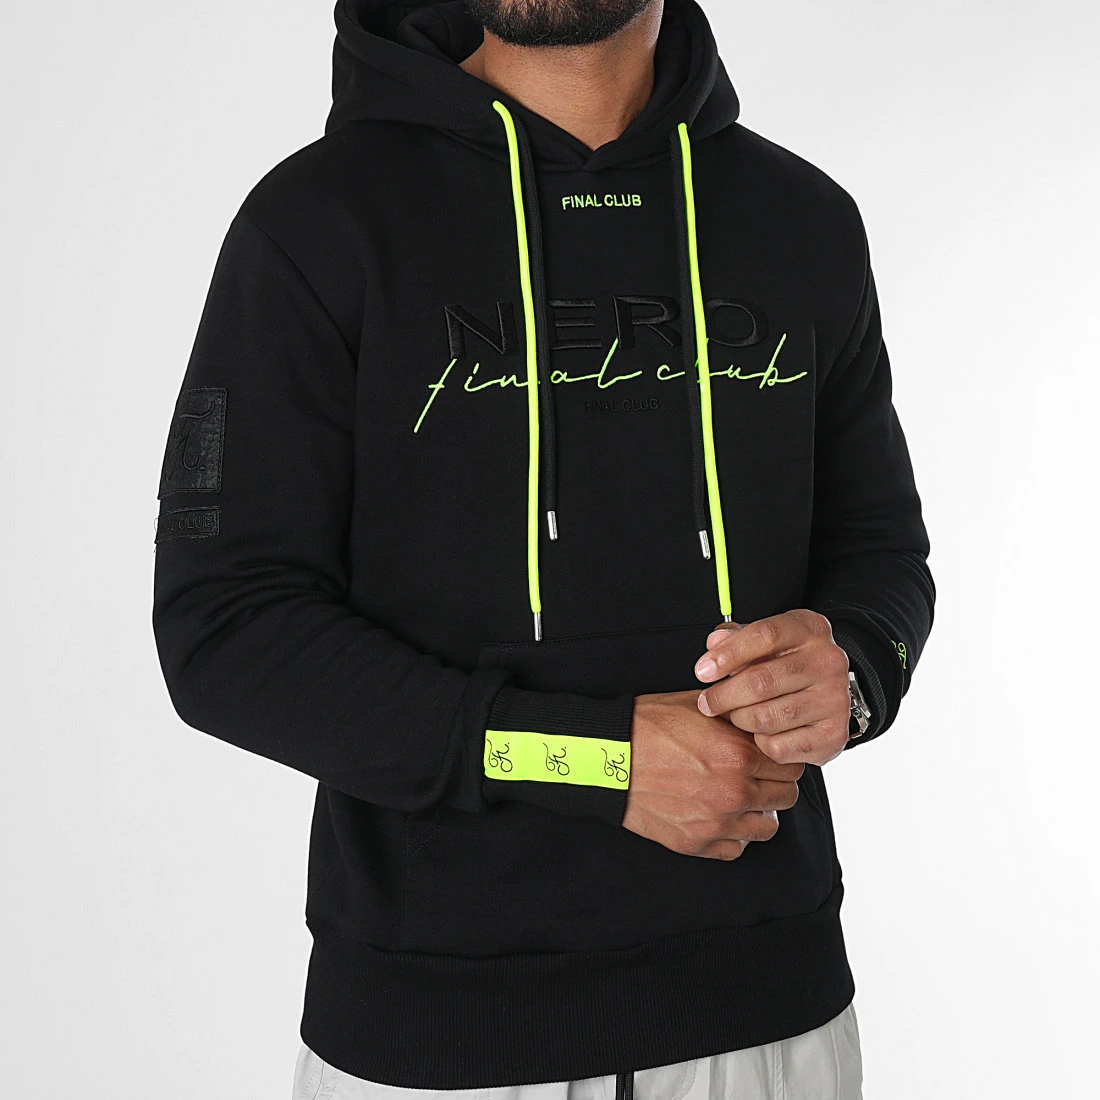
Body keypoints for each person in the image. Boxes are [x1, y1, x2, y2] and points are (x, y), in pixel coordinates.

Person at [151, 0, 935, 1096]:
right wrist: (600, 758)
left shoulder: (800, 218)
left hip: (768, 1014)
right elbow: (224, 631)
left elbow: (881, 554)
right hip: (438, 1034)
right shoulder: (315, 223)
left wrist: (849, 672)